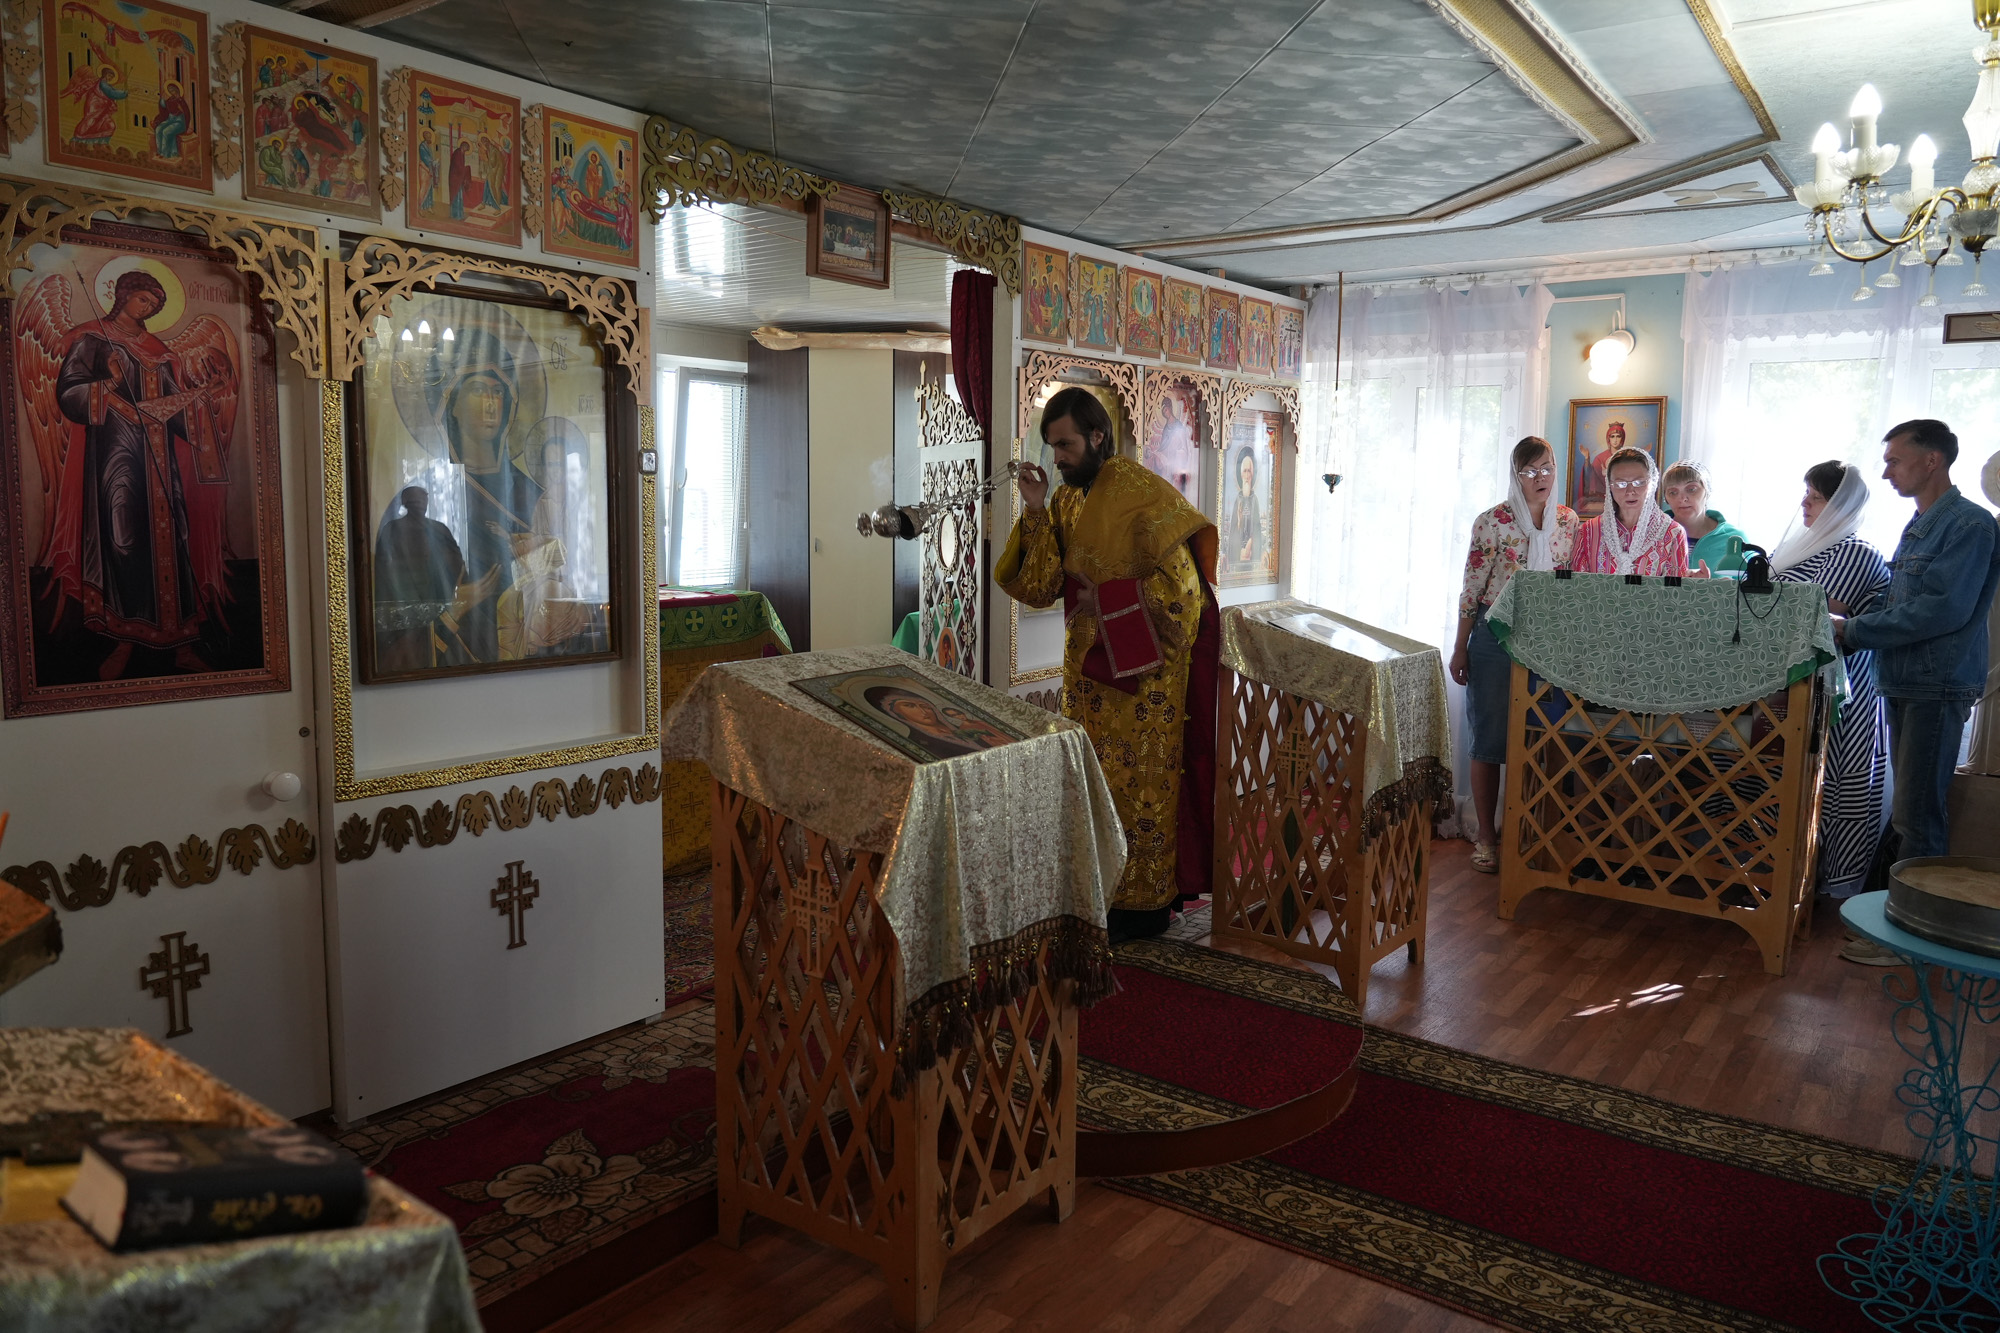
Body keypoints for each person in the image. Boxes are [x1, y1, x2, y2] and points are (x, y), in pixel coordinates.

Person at [997, 386, 1221, 943]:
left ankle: (1142, 910)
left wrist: (1109, 601)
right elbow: (1039, 586)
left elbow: (1184, 602)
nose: (1057, 458)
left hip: (1144, 690)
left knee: (1137, 794)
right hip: (1086, 681)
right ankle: (1093, 895)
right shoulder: (1066, 501)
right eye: (1052, 447)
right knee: (1090, 790)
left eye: (1066, 445)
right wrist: (1034, 507)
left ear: (1098, 436)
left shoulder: (1146, 501)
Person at [1834, 420, 2000, 960]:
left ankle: (1912, 943)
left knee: (1919, 816)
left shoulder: (1969, 524)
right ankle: (1904, 929)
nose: (1886, 472)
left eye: (1894, 460)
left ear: (1932, 460)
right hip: (1908, 678)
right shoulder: (1923, 522)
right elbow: (1903, 600)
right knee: (1912, 812)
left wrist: (1854, 630)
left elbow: (1942, 610)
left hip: (1937, 683)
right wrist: (1851, 624)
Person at [1450, 436, 1580, 873]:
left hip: (1549, 639)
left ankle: (1530, 835)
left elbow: (1572, 584)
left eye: (1547, 468)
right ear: (1515, 475)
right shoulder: (1493, 521)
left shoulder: (1569, 521)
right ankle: (1487, 838)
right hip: (1495, 635)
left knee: (1543, 738)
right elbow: (1472, 589)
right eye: (1529, 471)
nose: (1540, 478)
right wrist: (1461, 648)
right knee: (1488, 739)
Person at [1770, 462, 1890, 921]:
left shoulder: (1856, 552)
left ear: (1841, 505)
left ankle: (1830, 890)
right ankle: (1782, 877)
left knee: (1834, 786)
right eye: (1806, 493)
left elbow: (1817, 611)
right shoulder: (1799, 547)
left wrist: (1741, 593)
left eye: (1816, 496)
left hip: (1838, 694)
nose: (1805, 503)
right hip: (1789, 687)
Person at [372, 485, 474, 673]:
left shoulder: (439, 529)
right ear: (405, 502)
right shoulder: (392, 529)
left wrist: (463, 589)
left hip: (436, 596)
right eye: (414, 500)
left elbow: (457, 562)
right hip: (402, 597)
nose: (419, 503)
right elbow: (382, 566)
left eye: (422, 499)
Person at [1573, 448, 1690, 576]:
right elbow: (1578, 584)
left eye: (1639, 482)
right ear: (1609, 486)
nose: (1630, 491)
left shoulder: (1672, 533)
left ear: (1652, 483)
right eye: (1620, 484)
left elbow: (1676, 586)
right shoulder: (1588, 532)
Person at [1660, 460, 1745, 576]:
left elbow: (1751, 584)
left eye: (1691, 489)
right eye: (1673, 492)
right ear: (1666, 498)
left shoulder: (1734, 539)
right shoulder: (1653, 535)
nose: (1682, 498)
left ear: (1707, 491)